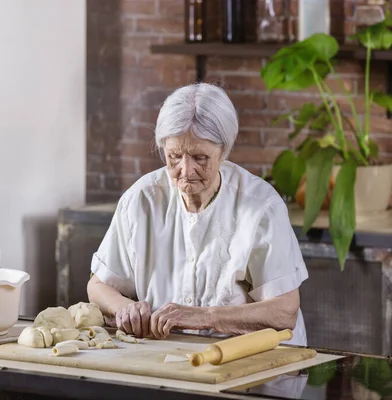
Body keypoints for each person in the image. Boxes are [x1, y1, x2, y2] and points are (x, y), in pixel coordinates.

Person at [87, 83, 308, 345]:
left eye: (200, 157)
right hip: (168, 361)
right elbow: (98, 287)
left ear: (223, 151)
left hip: (256, 366)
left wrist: (206, 317)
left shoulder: (261, 206)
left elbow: (285, 311)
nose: (186, 170)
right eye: (174, 156)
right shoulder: (141, 200)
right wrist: (125, 307)